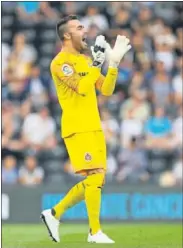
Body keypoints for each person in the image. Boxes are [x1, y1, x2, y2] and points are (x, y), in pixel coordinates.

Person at [41, 15, 131, 243]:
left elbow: (107, 90)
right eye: (80, 27)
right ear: (67, 35)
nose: (85, 31)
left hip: (93, 125)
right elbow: (81, 87)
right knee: (95, 176)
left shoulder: (84, 60)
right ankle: (94, 231)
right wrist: (95, 64)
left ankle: (54, 213)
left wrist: (113, 65)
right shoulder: (60, 63)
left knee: (97, 178)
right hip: (77, 127)